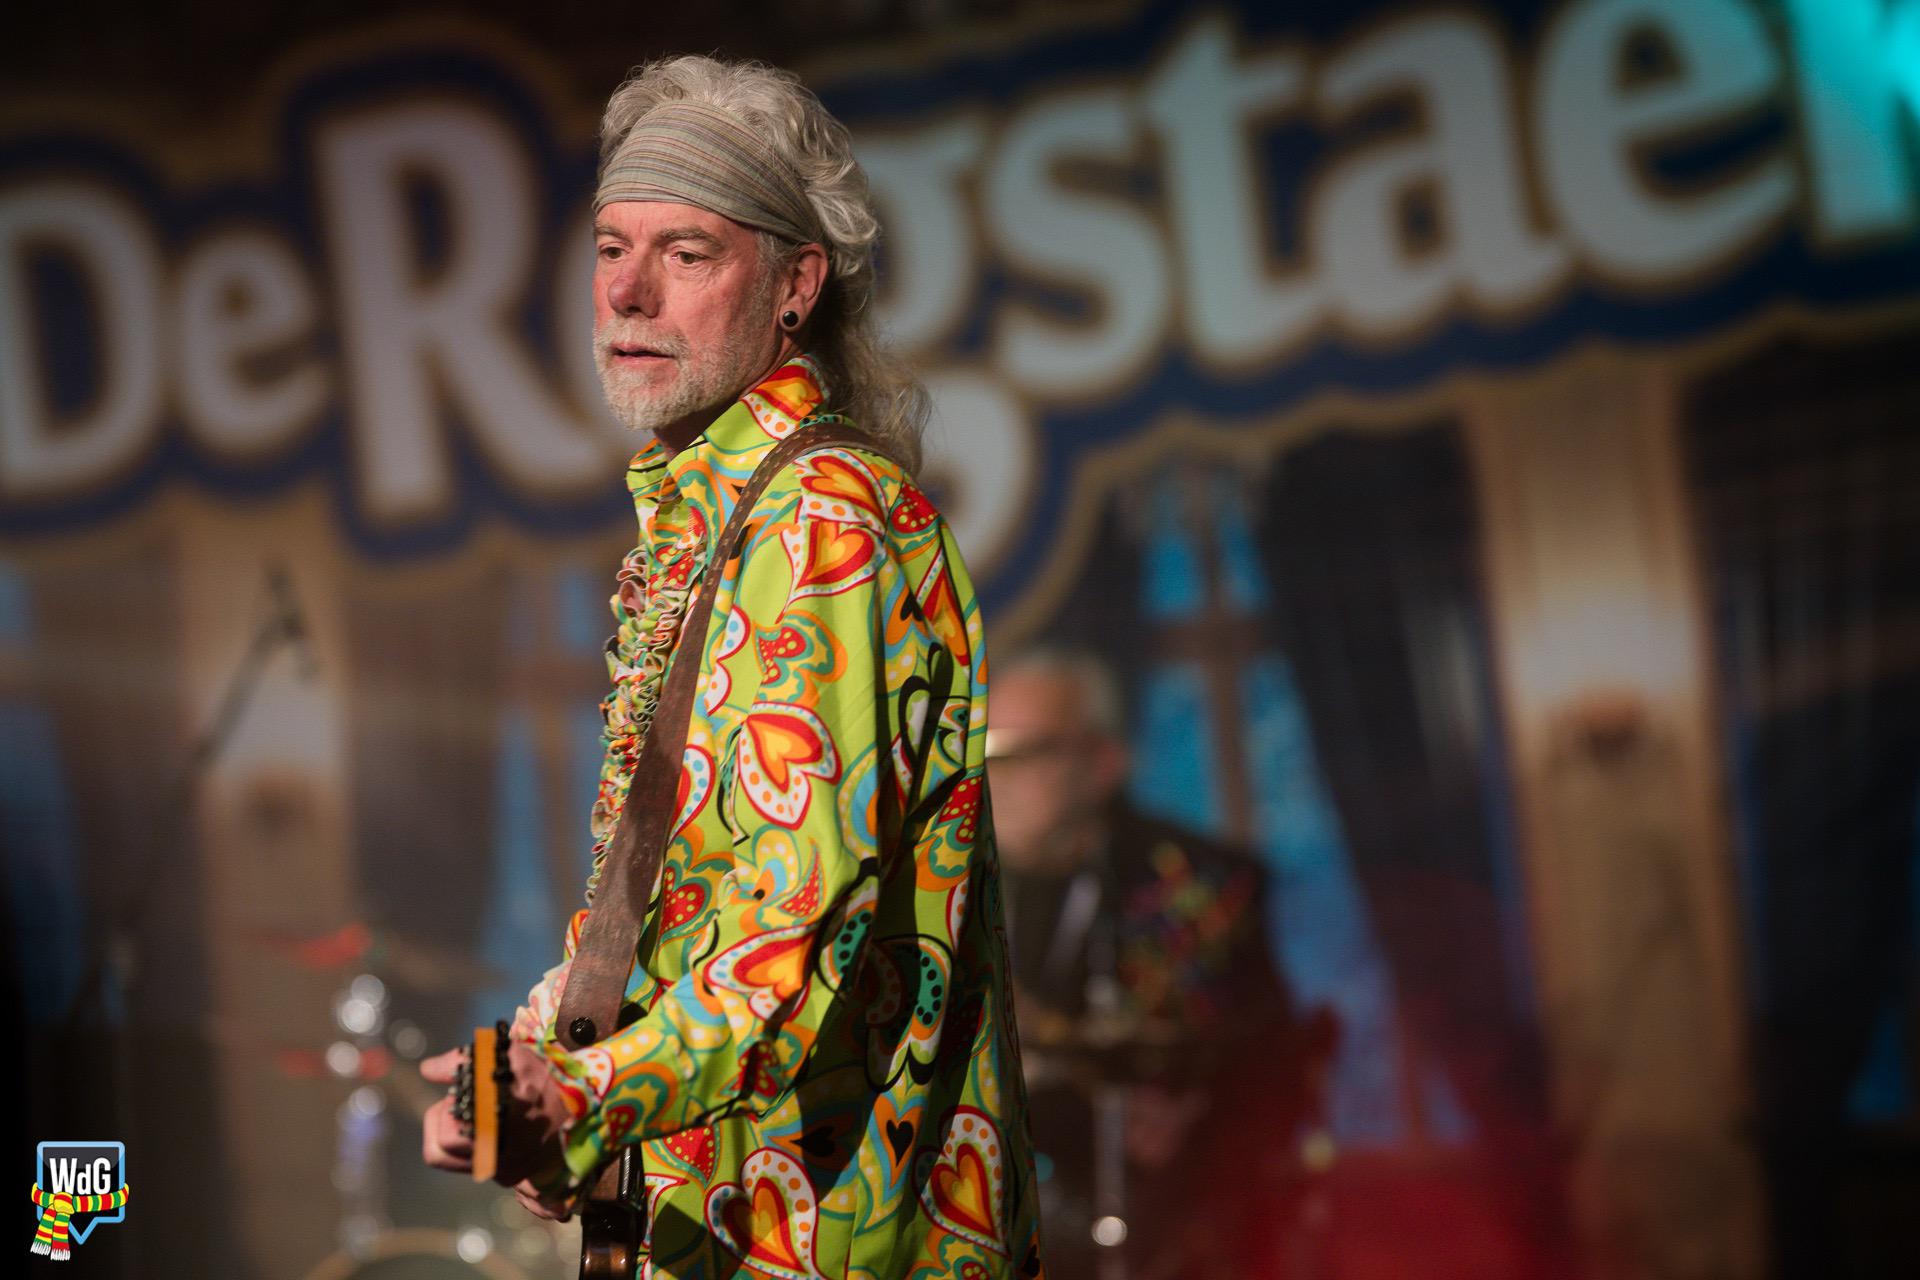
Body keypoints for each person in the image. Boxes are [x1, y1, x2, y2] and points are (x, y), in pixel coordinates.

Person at [418, 54, 1044, 1280]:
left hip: (832, 1238)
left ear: (795, 284)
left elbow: (787, 933)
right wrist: (540, 1064)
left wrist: (581, 1093)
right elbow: (673, 899)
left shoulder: (820, 519)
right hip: (720, 1221)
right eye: (611, 248)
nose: (628, 291)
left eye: (688, 253)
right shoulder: (718, 518)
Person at [986, 648, 1315, 1280]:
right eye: (985, 752)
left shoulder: (1198, 885)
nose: (997, 776)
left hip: (1165, 1217)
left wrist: (1191, 1104)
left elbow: (1271, 1061)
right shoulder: (949, 885)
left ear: (1103, 762)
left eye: (1028, 753)